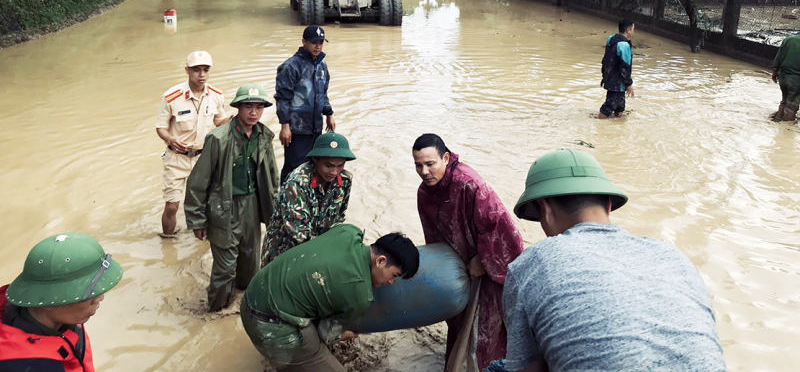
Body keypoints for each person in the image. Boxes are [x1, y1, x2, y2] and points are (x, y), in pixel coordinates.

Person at [498, 149, 726, 372]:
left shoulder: (532, 264)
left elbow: (526, 368)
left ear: (544, 209)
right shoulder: (674, 256)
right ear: (608, 205)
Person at [241, 224, 419, 372]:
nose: (391, 282)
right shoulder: (360, 296)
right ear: (380, 261)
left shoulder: (348, 232)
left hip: (253, 293)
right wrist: (342, 335)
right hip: (266, 326)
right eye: (393, 275)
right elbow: (324, 333)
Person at [413, 134, 523, 371]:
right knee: (459, 320)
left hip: (486, 266)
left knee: (488, 326)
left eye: (430, 164)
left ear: (445, 158)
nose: (424, 171)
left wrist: (482, 261)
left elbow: (503, 228)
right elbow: (433, 239)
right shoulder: (424, 193)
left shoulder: (468, 183)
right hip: (459, 267)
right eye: (418, 165)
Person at [184, 82, 280, 312]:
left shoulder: (264, 136)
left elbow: (272, 177)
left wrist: (276, 211)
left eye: (259, 107)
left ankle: (242, 308)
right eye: (248, 106)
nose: (253, 112)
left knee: (250, 263)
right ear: (238, 107)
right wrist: (197, 220)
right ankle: (215, 310)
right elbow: (198, 182)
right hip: (223, 206)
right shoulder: (218, 139)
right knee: (225, 267)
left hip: (252, 205)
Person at [0, 233, 123, 371]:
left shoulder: (67, 318)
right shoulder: (18, 364)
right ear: (48, 302)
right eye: (86, 293)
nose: (100, 298)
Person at [155, 50, 231, 238]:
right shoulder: (171, 97)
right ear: (187, 70)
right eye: (197, 70)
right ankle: (168, 242)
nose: (202, 75)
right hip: (176, 158)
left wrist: (236, 117)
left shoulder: (216, 95)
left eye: (206, 70)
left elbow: (219, 122)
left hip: (203, 158)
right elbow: (160, 127)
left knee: (205, 203)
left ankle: (203, 240)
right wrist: (170, 139)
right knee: (172, 206)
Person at [262, 132, 355, 265]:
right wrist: (327, 255)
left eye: (340, 166)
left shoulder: (344, 180)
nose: (334, 172)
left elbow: (339, 217)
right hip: (284, 252)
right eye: (328, 166)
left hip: (318, 251)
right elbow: (300, 233)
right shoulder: (297, 182)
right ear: (315, 159)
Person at [275, 25, 335, 184]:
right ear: (304, 42)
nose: (318, 46)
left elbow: (323, 93)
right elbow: (282, 98)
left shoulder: (322, 66)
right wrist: (285, 126)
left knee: (315, 167)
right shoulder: (290, 66)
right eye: (314, 42)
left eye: (321, 42)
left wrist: (329, 114)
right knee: (293, 168)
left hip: (316, 128)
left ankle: (308, 202)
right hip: (297, 130)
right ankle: (285, 202)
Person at [599, 19, 635, 119]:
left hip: (610, 78)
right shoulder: (624, 45)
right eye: (633, 29)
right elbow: (625, 67)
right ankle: (599, 124)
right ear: (628, 30)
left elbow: (606, 60)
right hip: (617, 83)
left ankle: (617, 129)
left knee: (620, 107)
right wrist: (629, 84)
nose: (633, 31)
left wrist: (604, 76)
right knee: (608, 107)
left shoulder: (611, 39)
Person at [771, 32, 800, 122]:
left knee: (785, 99)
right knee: (792, 103)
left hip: (783, 76)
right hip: (796, 78)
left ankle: (777, 120)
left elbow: (779, 57)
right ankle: (786, 126)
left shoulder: (788, 39)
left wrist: (775, 71)